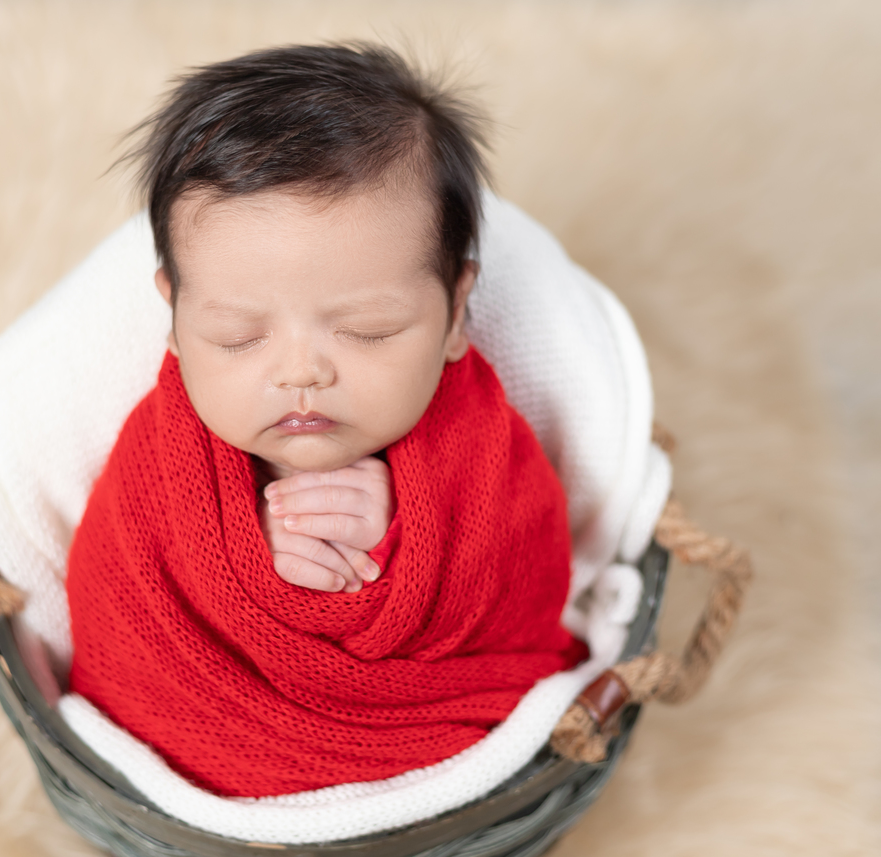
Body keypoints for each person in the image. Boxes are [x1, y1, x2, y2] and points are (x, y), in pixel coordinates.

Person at [65, 42, 586, 798]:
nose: (302, 372)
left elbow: (529, 576)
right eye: (237, 336)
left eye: (368, 330)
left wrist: (412, 536)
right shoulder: (158, 456)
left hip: (430, 750)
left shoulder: (484, 446)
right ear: (174, 318)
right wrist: (242, 557)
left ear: (454, 314)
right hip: (198, 745)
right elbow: (118, 596)